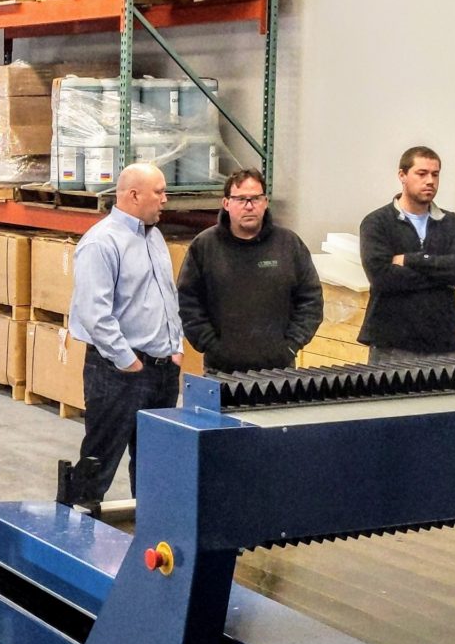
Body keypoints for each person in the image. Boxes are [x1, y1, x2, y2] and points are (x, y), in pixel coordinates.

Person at [63, 163, 183, 507]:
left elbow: (166, 296)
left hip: (162, 370)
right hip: (117, 373)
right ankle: (76, 527)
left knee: (155, 466)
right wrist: (128, 361)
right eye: (158, 192)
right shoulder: (101, 242)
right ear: (134, 195)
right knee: (99, 460)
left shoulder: (154, 236)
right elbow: (94, 313)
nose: (165, 199)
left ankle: (152, 531)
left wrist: (175, 347)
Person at [177, 168, 323, 374]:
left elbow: (311, 300)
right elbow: (187, 302)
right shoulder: (204, 246)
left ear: (265, 202)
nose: (249, 206)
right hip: (221, 370)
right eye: (241, 199)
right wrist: (211, 346)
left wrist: (290, 346)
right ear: (226, 203)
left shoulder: (288, 244)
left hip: (279, 369)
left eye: (255, 198)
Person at [358, 146, 455, 364]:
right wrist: (442, 276)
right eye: (422, 174)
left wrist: (411, 260)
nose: (430, 181)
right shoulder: (377, 223)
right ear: (402, 175)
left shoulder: (452, 224)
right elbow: (382, 277)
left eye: (435, 174)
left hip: (441, 345)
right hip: (392, 346)